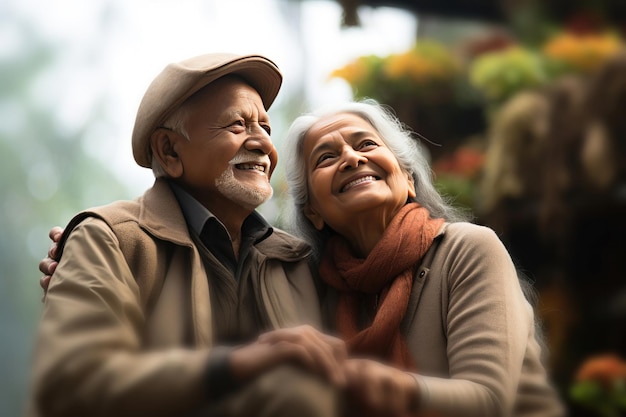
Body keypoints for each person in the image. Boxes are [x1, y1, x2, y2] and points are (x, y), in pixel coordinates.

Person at [29, 52, 348, 417]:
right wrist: (236, 365)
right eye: (238, 125)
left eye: (266, 127)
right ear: (169, 150)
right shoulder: (110, 240)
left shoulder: (299, 260)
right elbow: (70, 385)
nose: (264, 144)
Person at [279, 99, 565, 416]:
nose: (351, 158)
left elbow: (489, 401)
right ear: (313, 211)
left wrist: (383, 384)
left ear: (408, 179)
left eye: (367, 144)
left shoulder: (467, 250)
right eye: (326, 157)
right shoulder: (322, 292)